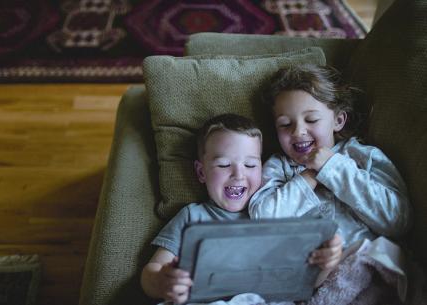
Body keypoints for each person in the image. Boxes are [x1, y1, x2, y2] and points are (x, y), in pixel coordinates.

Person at [141, 113, 343, 304]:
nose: (238, 175)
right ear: (201, 172)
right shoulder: (193, 216)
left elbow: (307, 283)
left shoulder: (282, 215)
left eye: (250, 165)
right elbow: (150, 272)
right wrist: (162, 281)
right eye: (223, 165)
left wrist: (328, 262)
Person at [248, 64, 411, 250]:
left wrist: (332, 168)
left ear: (338, 120)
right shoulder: (279, 166)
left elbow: (397, 221)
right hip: (309, 268)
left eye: (311, 120)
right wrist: (309, 176)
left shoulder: (363, 157)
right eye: (285, 124)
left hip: (364, 261)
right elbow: (261, 221)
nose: (298, 131)